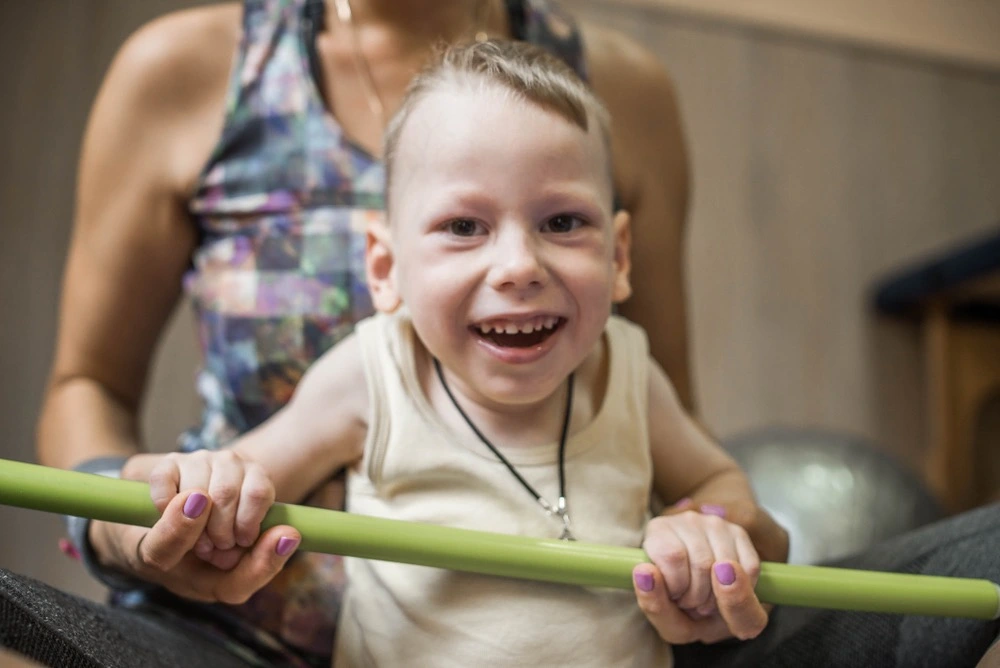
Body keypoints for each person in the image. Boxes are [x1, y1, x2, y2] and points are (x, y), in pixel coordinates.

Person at [39, 0, 786, 665]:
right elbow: (227, 472)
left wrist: (715, 530)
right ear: (383, 267)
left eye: (563, 222)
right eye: (463, 227)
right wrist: (164, 509)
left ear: (617, 254)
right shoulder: (370, 370)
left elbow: (694, 469)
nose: (518, 265)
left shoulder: (628, 369)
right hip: (218, 638)